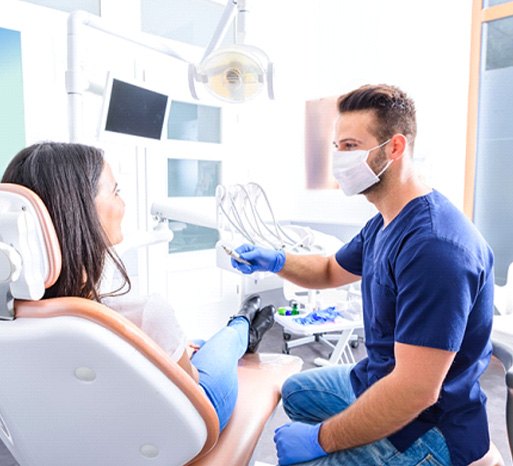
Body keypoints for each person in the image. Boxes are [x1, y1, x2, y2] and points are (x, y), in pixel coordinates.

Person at [230, 84, 494, 465]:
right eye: (337, 147)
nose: (339, 160)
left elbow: (414, 392)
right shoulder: (385, 222)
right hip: (379, 378)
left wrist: (321, 440)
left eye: (351, 146)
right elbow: (327, 269)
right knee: (293, 392)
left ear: (395, 148)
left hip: (426, 428)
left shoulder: (435, 248)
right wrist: (275, 261)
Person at [1, 141, 276, 432]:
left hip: (75, 440)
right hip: (180, 434)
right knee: (223, 346)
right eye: (115, 191)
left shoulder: (16, 319)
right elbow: (192, 393)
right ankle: (243, 325)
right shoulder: (145, 313)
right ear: (78, 211)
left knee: (197, 344)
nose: (124, 203)